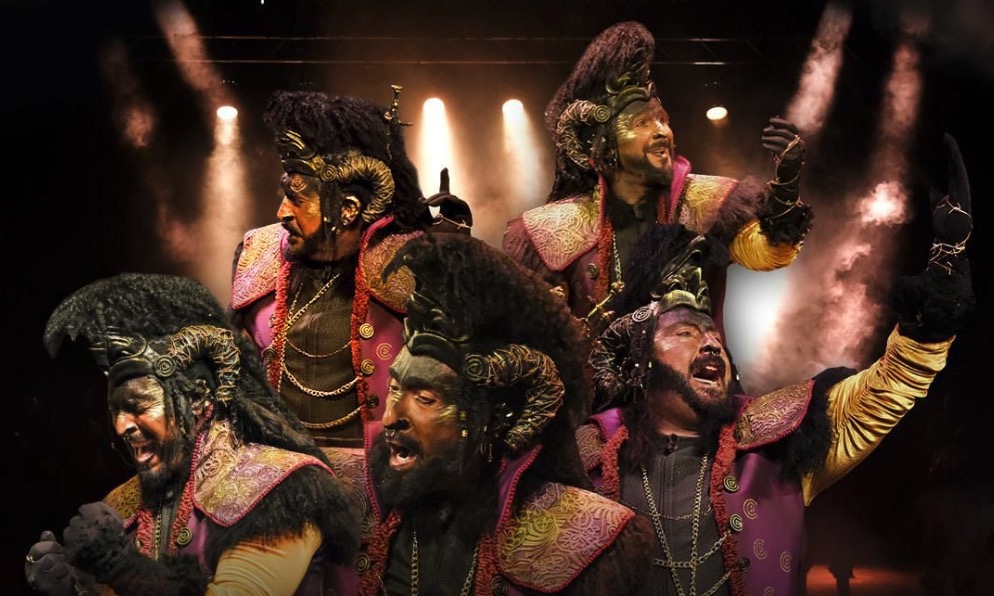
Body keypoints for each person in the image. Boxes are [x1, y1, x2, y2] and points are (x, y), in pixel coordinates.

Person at [575, 133, 974, 595]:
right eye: (684, 332)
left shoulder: (775, 442)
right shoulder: (584, 453)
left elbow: (888, 388)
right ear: (639, 361)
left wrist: (939, 294)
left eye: (713, 333)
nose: (711, 343)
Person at [322, 233, 654, 595]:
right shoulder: (336, 494)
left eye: (425, 398)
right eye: (395, 388)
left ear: (498, 415)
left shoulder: (583, 537)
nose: (389, 418)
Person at [24, 273, 361, 596]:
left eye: (138, 405)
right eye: (115, 410)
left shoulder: (279, 490)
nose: (121, 426)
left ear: (198, 399)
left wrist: (123, 567)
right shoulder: (122, 505)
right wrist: (76, 588)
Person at [503, 20, 811, 340]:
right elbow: (540, 331)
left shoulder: (706, 200)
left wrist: (787, 182)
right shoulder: (556, 229)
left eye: (663, 120)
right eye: (643, 123)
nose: (662, 131)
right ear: (605, 146)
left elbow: (771, 252)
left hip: (692, 370)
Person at [230, 86, 472, 450]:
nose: (282, 213)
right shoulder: (258, 253)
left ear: (348, 208)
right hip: (279, 463)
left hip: (382, 465)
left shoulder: (415, 263)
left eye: (296, 199)